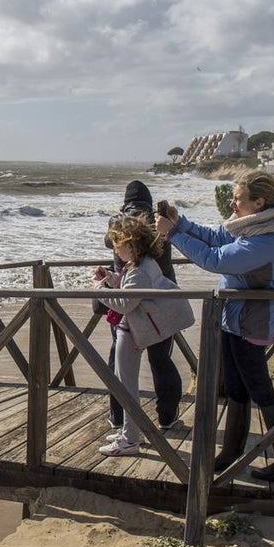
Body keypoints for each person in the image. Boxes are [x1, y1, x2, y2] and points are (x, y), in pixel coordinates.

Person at [155, 170, 274, 481]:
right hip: (236, 318)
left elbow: (215, 259)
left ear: (258, 202)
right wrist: (180, 223)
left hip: (253, 321)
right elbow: (218, 237)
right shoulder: (255, 225)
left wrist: (173, 235)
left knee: (261, 389)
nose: (233, 203)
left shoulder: (265, 240)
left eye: (238, 198)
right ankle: (232, 452)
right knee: (236, 387)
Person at [93, 215, 193, 456]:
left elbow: (124, 303)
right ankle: (131, 431)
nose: (116, 250)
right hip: (134, 329)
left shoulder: (139, 270)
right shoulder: (143, 264)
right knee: (125, 383)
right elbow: (132, 289)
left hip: (132, 331)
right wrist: (112, 278)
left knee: (125, 386)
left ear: (132, 245)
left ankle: (129, 440)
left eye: (119, 244)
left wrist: (98, 289)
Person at [101, 180, 184, 433]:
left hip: (126, 302)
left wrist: (119, 215)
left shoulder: (119, 223)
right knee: (161, 360)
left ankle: (117, 417)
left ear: (125, 201)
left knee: (120, 361)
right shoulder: (160, 224)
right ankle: (167, 417)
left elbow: (108, 241)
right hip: (159, 303)